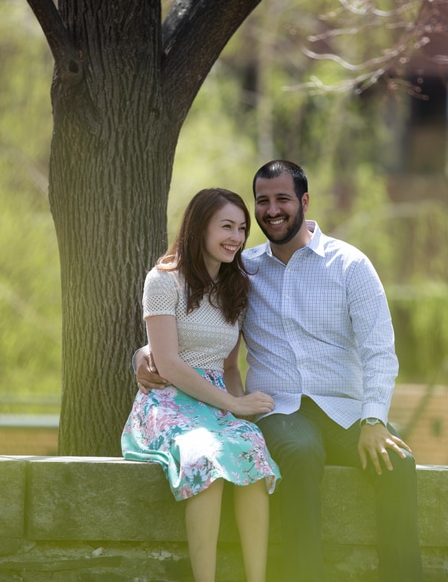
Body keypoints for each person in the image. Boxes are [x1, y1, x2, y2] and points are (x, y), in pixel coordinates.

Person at [137, 161, 423, 582]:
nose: (272, 210)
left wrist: (374, 419)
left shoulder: (350, 265)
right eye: (263, 201)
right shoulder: (244, 270)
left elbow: (380, 351)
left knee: (398, 464)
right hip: (281, 409)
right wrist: (144, 352)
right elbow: (197, 326)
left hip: (345, 408)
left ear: (304, 202)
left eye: (283, 199)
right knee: (300, 455)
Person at [121, 187, 281, 582]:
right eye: (226, 226)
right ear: (199, 228)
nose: (236, 238)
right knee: (204, 455)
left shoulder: (235, 287)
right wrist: (236, 404)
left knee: (252, 450)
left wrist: (238, 408)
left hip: (216, 401)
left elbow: (229, 365)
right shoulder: (164, 281)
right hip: (167, 401)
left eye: (242, 229)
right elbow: (170, 364)